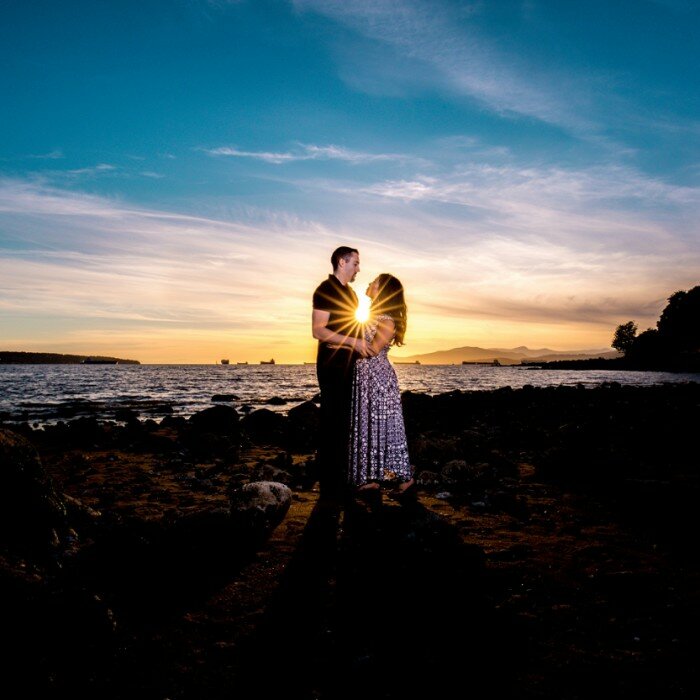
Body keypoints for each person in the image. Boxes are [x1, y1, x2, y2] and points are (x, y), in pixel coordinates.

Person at [311, 246, 372, 499]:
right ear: (341, 261)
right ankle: (328, 484)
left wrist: (362, 346)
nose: (358, 268)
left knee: (346, 421)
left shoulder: (352, 295)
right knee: (331, 420)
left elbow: (352, 329)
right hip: (330, 364)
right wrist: (352, 342)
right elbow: (318, 330)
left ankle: (342, 478)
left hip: (349, 363)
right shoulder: (325, 290)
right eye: (355, 263)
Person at [348, 273, 415, 497]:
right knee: (368, 427)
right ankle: (372, 478)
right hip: (365, 379)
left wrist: (342, 343)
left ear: (383, 289)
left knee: (384, 428)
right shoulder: (371, 315)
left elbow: (374, 350)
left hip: (378, 380)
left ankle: (405, 480)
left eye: (374, 281)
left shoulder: (386, 320)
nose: (368, 283)